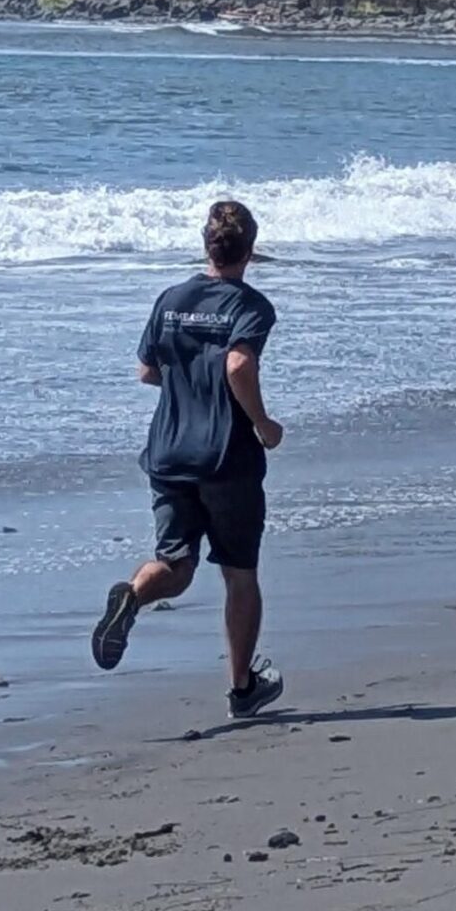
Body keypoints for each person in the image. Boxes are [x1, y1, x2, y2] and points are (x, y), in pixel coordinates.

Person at [90, 196, 285, 719]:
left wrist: (187, 376)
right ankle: (243, 689)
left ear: (207, 246)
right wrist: (264, 425)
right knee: (239, 572)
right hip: (226, 458)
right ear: (250, 251)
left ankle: (132, 596)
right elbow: (239, 365)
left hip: (168, 453)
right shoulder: (251, 306)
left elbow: (147, 372)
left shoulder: (170, 299)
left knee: (175, 564)